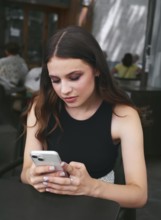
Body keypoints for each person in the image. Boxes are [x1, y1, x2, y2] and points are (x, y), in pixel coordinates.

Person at [20, 26, 147, 208]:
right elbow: (25, 172)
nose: (64, 90)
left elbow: (139, 195)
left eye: (74, 77)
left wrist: (92, 187)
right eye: (55, 80)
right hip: (48, 206)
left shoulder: (123, 115)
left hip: (96, 207)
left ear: (96, 69)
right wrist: (32, 176)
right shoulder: (40, 106)